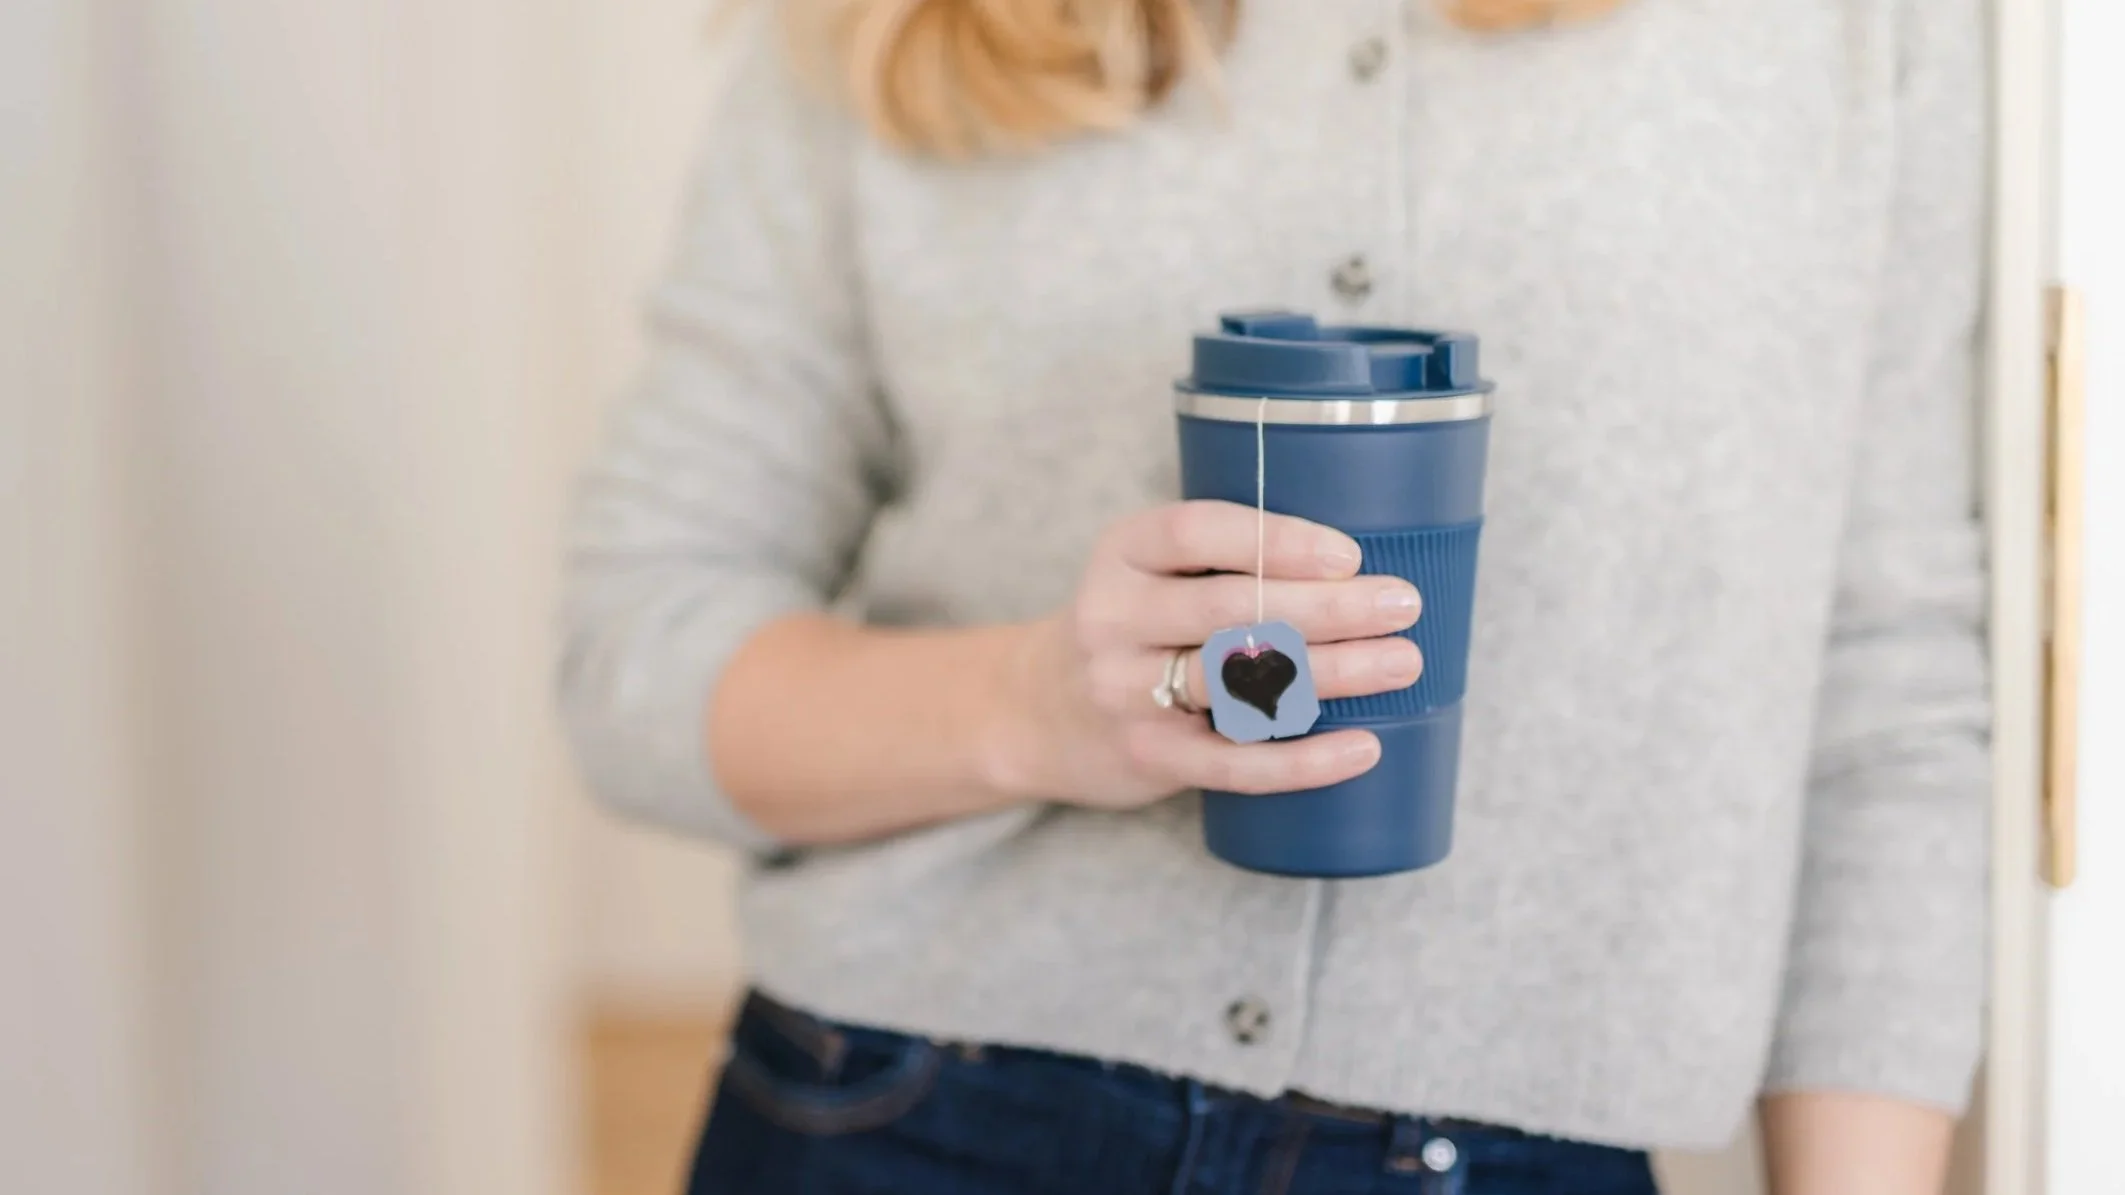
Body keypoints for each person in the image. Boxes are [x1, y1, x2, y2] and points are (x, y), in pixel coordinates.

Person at [558, 0, 1990, 1190]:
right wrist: (1035, 707)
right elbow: (634, 652)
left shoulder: (1855, 34)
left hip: (1513, 1152)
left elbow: (1888, 692)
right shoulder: (893, 28)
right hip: (903, 1107)